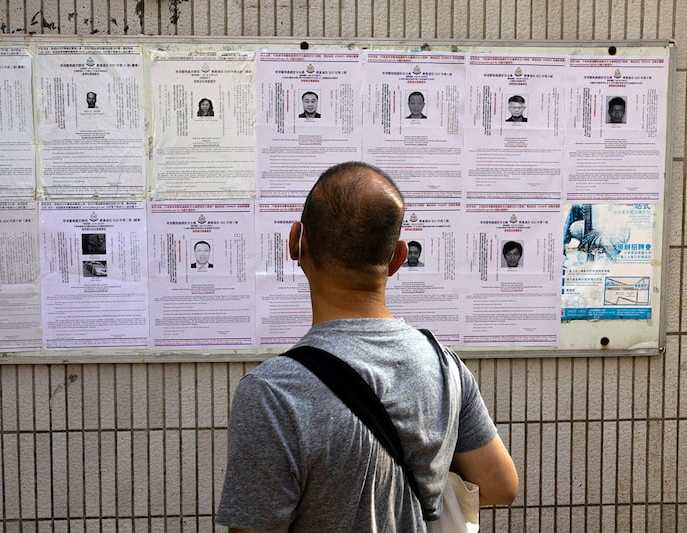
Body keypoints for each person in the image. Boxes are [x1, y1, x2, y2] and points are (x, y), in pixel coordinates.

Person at [217, 162, 518, 532]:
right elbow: (501, 486)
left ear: (296, 242)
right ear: (398, 258)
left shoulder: (273, 392)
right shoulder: (444, 365)